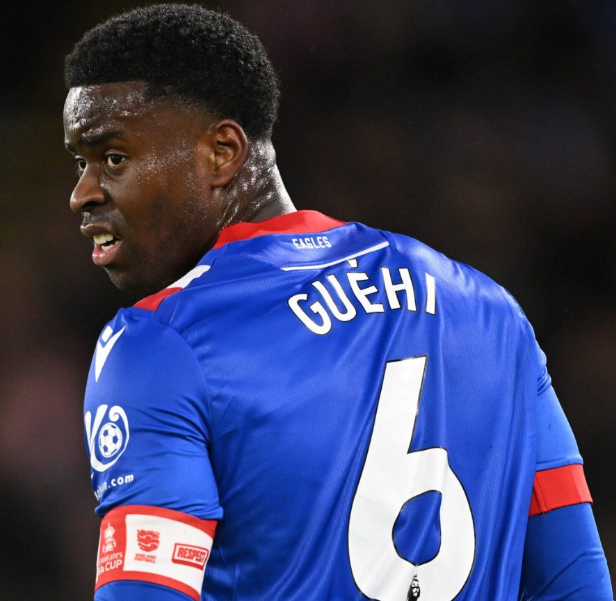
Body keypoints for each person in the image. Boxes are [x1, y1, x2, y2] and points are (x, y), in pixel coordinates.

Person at [63, 4, 613, 601]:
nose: (81, 194)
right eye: (80, 162)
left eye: (113, 158)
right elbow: (576, 585)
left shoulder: (162, 343)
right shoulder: (491, 312)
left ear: (222, 152)